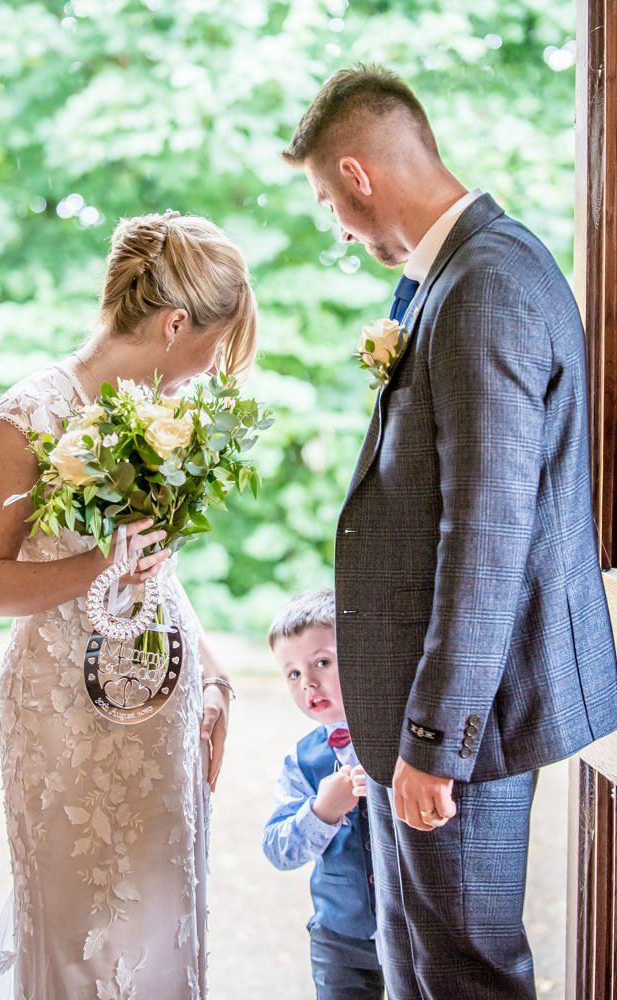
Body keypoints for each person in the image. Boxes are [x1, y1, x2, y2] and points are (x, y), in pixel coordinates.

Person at [282, 64, 617, 999]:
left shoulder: (487, 284)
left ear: (357, 174)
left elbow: (490, 531)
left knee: (465, 974)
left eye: (326, 202)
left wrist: (435, 740)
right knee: (418, 963)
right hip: (424, 707)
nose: (337, 229)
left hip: (468, 714)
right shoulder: (457, 276)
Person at [0, 210, 257, 999]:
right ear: (175, 322)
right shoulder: (22, 422)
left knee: (163, 921)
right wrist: (97, 564)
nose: (208, 369)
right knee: (84, 931)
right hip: (62, 717)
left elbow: (154, 571)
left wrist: (216, 674)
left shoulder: (161, 424)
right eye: (210, 348)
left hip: (161, 710)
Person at [263, 588, 384, 1000]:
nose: (308, 682)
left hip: (415, 930)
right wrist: (321, 810)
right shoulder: (301, 761)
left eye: (322, 662)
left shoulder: (401, 744)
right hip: (340, 936)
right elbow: (278, 850)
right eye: (293, 673)